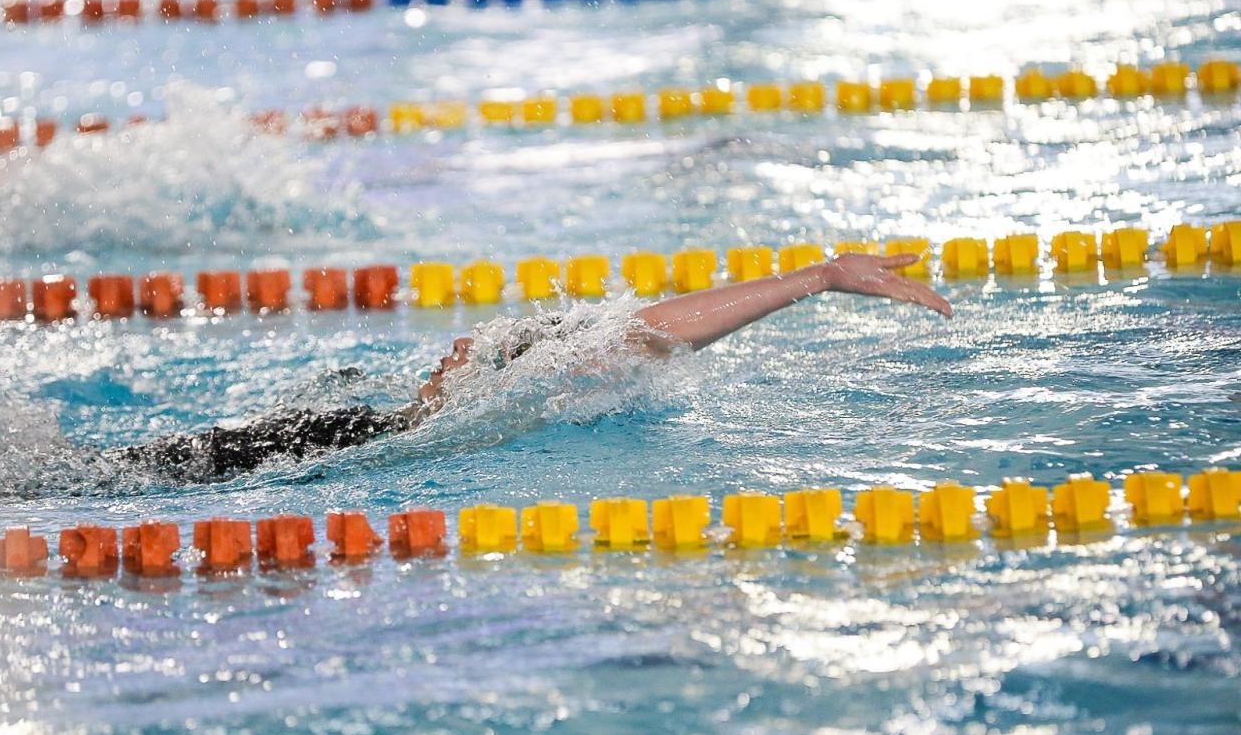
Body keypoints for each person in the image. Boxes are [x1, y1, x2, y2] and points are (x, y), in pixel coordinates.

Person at [109, 251, 951, 481]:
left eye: (476, 350)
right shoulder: (390, 422)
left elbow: (641, 337)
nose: (455, 346)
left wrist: (820, 279)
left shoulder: (452, 419)